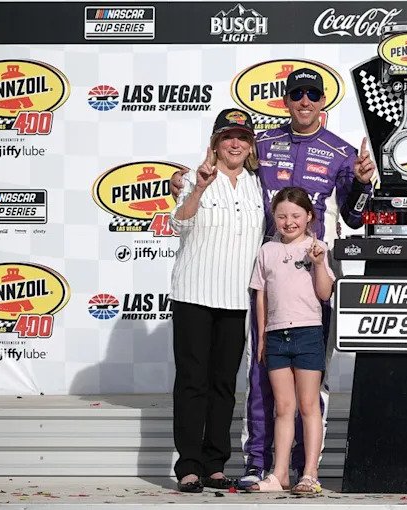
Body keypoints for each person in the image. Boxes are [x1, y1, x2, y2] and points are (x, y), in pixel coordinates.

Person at [169, 67, 376, 491]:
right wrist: (183, 183)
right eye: (296, 93)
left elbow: (354, 217)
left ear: (323, 103)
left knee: (310, 386)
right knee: (260, 374)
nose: (304, 101)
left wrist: (359, 182)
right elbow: (216, 169)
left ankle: (305, 468)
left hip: (312, 283)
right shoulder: (261, 144)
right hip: (261, 279)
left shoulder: (339, 152)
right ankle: (259, 463)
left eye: (312, 95)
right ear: (285, 99)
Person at [168, 108, 264, 493]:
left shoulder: (259, 184)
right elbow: (179, 222)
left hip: (236, 298)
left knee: (225, 384)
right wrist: (199, 187)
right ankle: (188, 466)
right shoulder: (195, 177)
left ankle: (215, 463)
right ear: (215, 143)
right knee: (193, 382)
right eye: (227, 137)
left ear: (251, 143)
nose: (235, 143)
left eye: (242, 136)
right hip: (193, 293)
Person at [247, 186, 334, 494]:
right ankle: (279, 473)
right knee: (283, 407)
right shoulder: (267, 251)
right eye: (282, 216)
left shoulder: (316, 247)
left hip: (309, 333)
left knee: (309, 406)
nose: (289, 222)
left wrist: (319, 262)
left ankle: (309, 473)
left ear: (309, 216)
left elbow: (325, 294)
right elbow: (261, 296)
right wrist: (261, 337)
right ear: (274, 218)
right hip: (276, 337)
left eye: (296, 215)